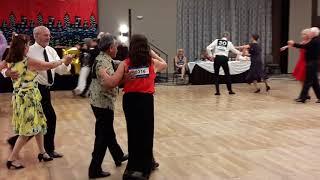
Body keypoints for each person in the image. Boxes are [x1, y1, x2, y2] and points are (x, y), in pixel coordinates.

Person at [100, 34, 166, 180]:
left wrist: (105, 75)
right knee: (146, 134)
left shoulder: (125, 63)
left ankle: (133, 166)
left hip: (130, 101)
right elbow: (164, 63)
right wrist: (151, 52)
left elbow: (112, 83)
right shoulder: (152, 62)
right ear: (146, 48)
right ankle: (146, 166)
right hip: (145, 101)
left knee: (134, 133)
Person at [4, 26, 72, 158]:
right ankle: (47, 150)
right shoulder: (27, 51)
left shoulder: (51, 50)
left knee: (39, 121)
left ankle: (31, 147)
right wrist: (7, 73)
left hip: (44, 91)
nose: (49, 37)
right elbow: (7, 64)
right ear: (36, 36)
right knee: (48, 118)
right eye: (45, 35)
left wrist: (67, 63)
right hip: (33, 90)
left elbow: (61, 71)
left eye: (49, 34)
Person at [88, 33, 128, 179]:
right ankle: (94, 169)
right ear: (111, 48)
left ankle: (118, 156)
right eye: (115, 46)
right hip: (102, 103)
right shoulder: (102, 62)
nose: (117, 48)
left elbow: (116, 63)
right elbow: (108, 83)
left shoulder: (105, 58)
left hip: (99, 101)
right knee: (102, 137)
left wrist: (124, 64)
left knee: (108, 132)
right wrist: (124, 77)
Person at [288, 27, 320, 103]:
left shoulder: (315, 41)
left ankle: (303, 98)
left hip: (311, 63)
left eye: (310, 32)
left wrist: (293, 44)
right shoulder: (315, 40)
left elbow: (305, 46)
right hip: (312, 63)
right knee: (314, 82)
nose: (309, 33)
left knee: (308, 81)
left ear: (313, 33)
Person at [281, 29, 311, 99]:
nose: (302, 36)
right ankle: (306, 94)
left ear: (308, 35)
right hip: (301, 61)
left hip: (306, 61)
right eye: (302, 34)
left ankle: (305, 94)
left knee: (304, 79)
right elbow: (295, 45)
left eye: (304, 34)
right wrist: (285, 47)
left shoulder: (310, 42)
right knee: (301, 79)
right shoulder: (303, 42)